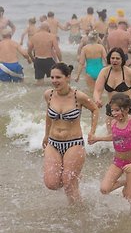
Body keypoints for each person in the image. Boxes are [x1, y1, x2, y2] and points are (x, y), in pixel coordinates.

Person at [42, 63, 99, 205]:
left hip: (73, 143)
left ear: (68, 77)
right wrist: (46, 134)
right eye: (52, 77)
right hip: (54, 143)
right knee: (51, 184)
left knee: (68, 183)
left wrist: (92, 132)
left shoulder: (77, 96)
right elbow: (49, 116)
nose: (54, 80)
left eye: (58, 77)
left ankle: (77, 210)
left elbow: (95, 110)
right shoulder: (48, 94)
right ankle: (74, 176)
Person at [89, 93, 131, 214]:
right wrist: (97, 138)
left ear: (126, 109)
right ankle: (126, 182)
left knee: (128, 197)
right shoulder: (114, 123)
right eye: (112, 110)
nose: (114, 113)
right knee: (104, 189)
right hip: (117, 162)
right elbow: (115, 137)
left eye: (117, 110)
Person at [93, 48, 131, 130]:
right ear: (109, 59)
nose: (114, 60)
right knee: (112, 135)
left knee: (130, 132)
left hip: (128, 106)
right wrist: (97, 99)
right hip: (112, 107)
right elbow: (97, 90)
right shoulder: (104, 72)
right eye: (112, 58)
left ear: (122, 60)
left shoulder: (130, 73)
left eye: (117, 58)